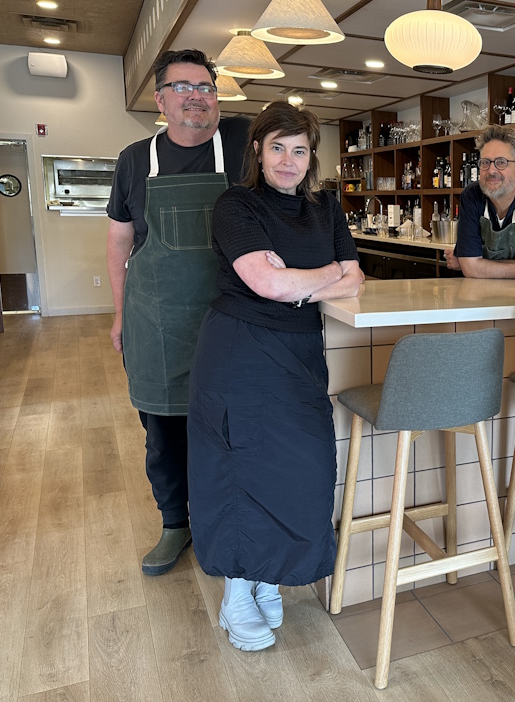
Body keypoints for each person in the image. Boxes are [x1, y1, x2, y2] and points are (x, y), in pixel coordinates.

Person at [186, 102, 363, 651]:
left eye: (300, 149)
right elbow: (267, 285)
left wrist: (302, 280)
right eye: (277, 147)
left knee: (300, 469)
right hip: (240, 350)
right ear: (258, 152)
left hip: (300, 353)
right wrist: (318, 277)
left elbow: (354, 276)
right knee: (241, 471)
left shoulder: (325, 207)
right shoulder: (236, 204)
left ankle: (267, 576)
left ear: (312, 157)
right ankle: (238, 590)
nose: (289, 160)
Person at [106, 49, 250, 576]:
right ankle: (174, 524)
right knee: (164, 433)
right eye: (183, 86)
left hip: (229, 319)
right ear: (160, 99)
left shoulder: (241, 146)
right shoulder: (134, 159)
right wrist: (120, 315)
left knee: (227, 428)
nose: (197, 96)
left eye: (207, 86)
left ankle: (220, 520)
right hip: (158, 320)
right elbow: (120, 240)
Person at [445, 125, 515, 278]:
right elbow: (470, 269)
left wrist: (476, 263)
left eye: (501, 162)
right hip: (476, 295)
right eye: (485, 162)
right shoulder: (471, 196)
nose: (491, 170)